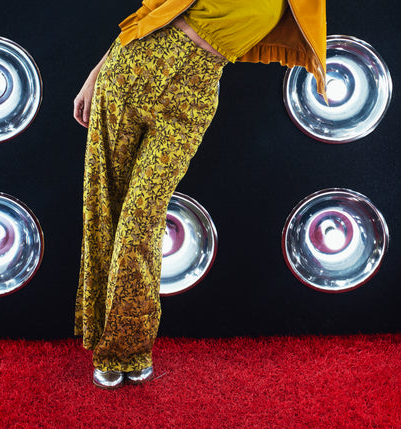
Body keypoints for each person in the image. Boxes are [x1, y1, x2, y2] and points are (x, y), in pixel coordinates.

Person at [72, 0, 328, 389]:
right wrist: (97, 71)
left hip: (195, 94)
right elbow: (152, 11)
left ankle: (126, 349)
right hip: (139, 66)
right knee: (105, 204)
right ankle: (111, 347)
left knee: (141, 219)